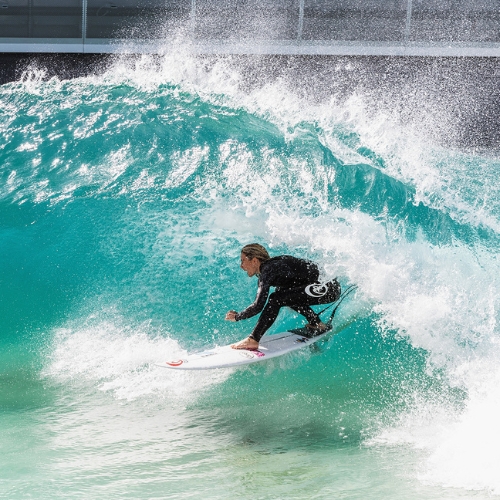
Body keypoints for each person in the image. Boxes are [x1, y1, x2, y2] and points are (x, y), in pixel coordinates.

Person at [226, 243, 341, 350]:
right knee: (282, 293)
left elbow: (258, 306)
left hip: (328, 288)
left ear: (255, 260)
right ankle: (316, 323)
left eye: (243, 261)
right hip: (329, 285)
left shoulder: (268, 270)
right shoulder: (274, 266)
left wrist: (237, 317)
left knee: (276, 299)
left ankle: (253, 339)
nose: (241, 266)